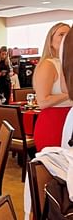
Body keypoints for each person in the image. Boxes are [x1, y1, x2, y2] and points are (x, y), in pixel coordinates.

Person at [33, 22, 71, 151]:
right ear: (50, 42)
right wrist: (69, 94)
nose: (66, 37)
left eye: (69, 34)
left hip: (69, 120)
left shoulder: (67, 63)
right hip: (54, 122)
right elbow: (42, 102)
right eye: (61, 34)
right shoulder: (48, 64)